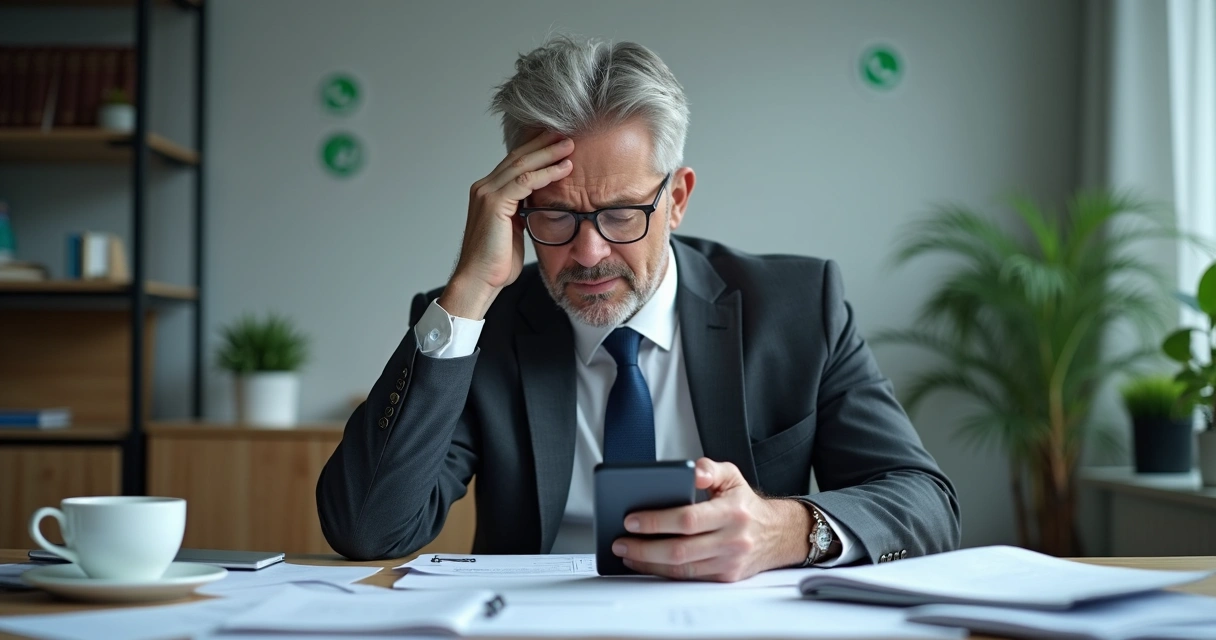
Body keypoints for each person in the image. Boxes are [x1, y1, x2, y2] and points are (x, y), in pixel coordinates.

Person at [317, 35, 960, 582]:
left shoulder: (796, 308)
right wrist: (469, 290)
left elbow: (924, 503)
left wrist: (784, 529)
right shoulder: (481, 327)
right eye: (556, 216)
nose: (589, 252)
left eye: (621, 214)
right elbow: (368, 530)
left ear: (676, 200)